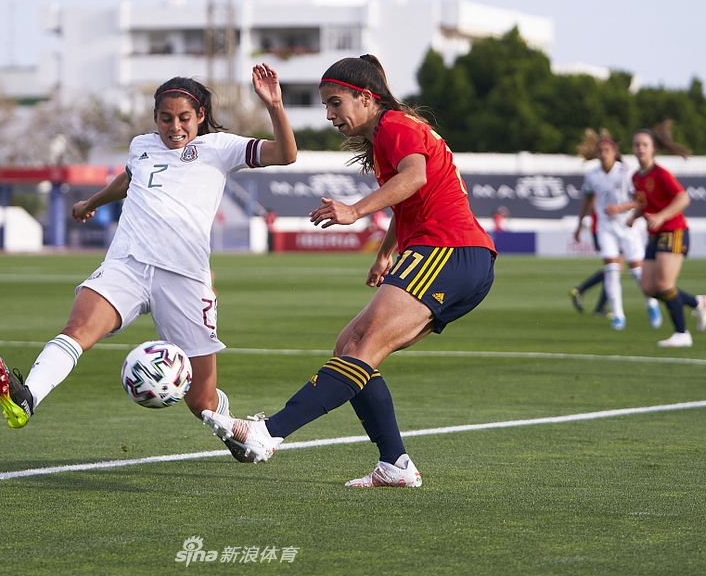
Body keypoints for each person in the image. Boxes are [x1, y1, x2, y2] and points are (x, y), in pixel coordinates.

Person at [202, 55, 496, 487]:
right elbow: (410, 198)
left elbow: (414, 177)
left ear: (366, 97)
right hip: (453, 255)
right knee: (351, 347)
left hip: (448, 250)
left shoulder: (395, 124)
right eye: (326, 105)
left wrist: (355, 210)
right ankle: (394, 464)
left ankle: (267, 433)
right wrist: (386, 253)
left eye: (335, 102)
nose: (329, 114)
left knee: (360, 344)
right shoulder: (390, 131)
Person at [0, 64, 298, 458]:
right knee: (78, 328)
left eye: (184, 118)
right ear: (155, 118)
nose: (174, 127)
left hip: (185, 278)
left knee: (200, 401)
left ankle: (232, 430)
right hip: (128, 263)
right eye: (165, 118)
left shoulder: (220, 148)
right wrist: (92, 202)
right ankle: (27, 398)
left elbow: (286, 154)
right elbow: (130, 178)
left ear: (200, 115)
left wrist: (275, 106)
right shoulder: (141, 146)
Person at [627, 122, 706, 347]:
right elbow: (645, 202)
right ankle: (697, 303)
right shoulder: (636, 177)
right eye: (636, 145)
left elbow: (683, 198)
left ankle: (682, 334)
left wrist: (661, 216)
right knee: (648, 288)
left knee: (664, 284)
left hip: (674, 231)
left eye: (645, 144)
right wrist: (634, 215)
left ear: (653, 148)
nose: (640, 148)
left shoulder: (661, 174)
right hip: (654, 235)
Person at [573, 131, 661, 330]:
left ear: (614, 152)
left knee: (637, 272)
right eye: (600, 151)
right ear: (597, 154)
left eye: (607, 150)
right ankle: (618, 316)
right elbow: (587, 199)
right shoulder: (592, 176)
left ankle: (651, 304)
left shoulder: (626, 173)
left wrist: (620, 208)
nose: (603, 154)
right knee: (611, 271)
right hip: (606, 227)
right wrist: (579, 225)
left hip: (627, 225)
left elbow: (640, 199)